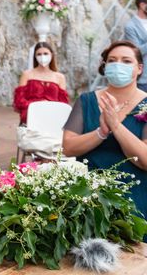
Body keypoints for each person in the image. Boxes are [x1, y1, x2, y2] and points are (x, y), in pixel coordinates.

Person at [63, 41, 147, 231]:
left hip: (135, 197)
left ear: (139, 68)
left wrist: (116, 126)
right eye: (112, 60)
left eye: (126, 61)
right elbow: (67, 147)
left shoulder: (146, 104)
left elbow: (145, 159)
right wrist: (101, 132)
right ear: (105, 66)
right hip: (90, 195)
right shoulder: (86, 101)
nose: (118, 65)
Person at [14, 41, 69, 124]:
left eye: (45, 53)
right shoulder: (27, 74)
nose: (42, 56)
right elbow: (19, 100)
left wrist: (48, 107)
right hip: (31, 117)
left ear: (52, 54)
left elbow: (63, 103)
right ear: (35, 57)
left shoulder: (60, 77)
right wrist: (38, 105)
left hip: (52, 118)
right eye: (39, 54)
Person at [124, 0, 147, 91]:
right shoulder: (130, 27)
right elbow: (136, 52)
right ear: (142, 5)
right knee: (143, 106)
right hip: (144, 79)